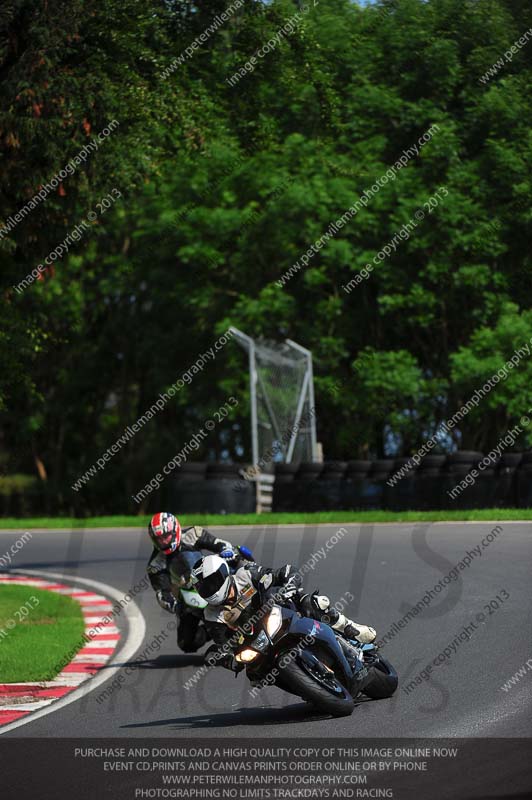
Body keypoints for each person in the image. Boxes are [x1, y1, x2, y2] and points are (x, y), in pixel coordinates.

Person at [190, 554, 376, 668]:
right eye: (203, 587)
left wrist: (289, 584)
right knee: (256, 674)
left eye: (212, 583)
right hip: (259, 643)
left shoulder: (245, 575)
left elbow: (283, 572)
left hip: (283, 612)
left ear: (223, 574)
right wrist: (226, 659)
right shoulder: (212, 614)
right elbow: (223, 644)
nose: (209, 589)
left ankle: (351, 628)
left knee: (313, 603)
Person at [146, 512, 233, 652]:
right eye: (159, 539)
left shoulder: (194, 534)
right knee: (186, 643)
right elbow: (162, 593)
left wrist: (226, 550)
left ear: (175, 530)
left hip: (207, 577)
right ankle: (210, 631)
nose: (163, 541)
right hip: (187, 597)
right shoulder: (155, 564)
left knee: (238, 562)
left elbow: (218, 543)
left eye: (166, 536)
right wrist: (176, 606)